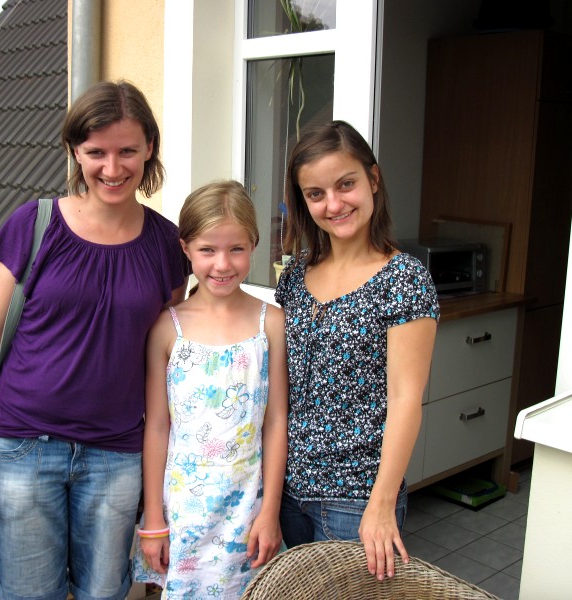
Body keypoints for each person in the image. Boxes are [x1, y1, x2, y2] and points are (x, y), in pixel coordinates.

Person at [0, 80, 189, 600]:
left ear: (149, 148)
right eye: (96, 152)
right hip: (21, 447)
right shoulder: (32, 224)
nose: (112, 167)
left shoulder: (166, 243)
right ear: (75, 151)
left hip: (117, 453)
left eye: (127, 151)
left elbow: (168, 348)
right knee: (29, 593)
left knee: (104, 593)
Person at [275, 120, 439, 581]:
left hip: (355, 499)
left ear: (373, 179)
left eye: (345, 184)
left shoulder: (403, 279)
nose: (334, 204)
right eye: (316, 193)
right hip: (288, 491)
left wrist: (382, 504)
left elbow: (406, 399)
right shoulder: (296, 274)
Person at [133, 180, 289, 599]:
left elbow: (276, 421)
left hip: (248, 510)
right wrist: (154, 519)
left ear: (254, 245)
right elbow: (157, 427)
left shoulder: (271, 323)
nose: (222, 264)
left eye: (236, 249)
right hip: (184, 512)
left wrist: (270, 511)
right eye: (207, 250)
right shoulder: (167, 327)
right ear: (185, 248)